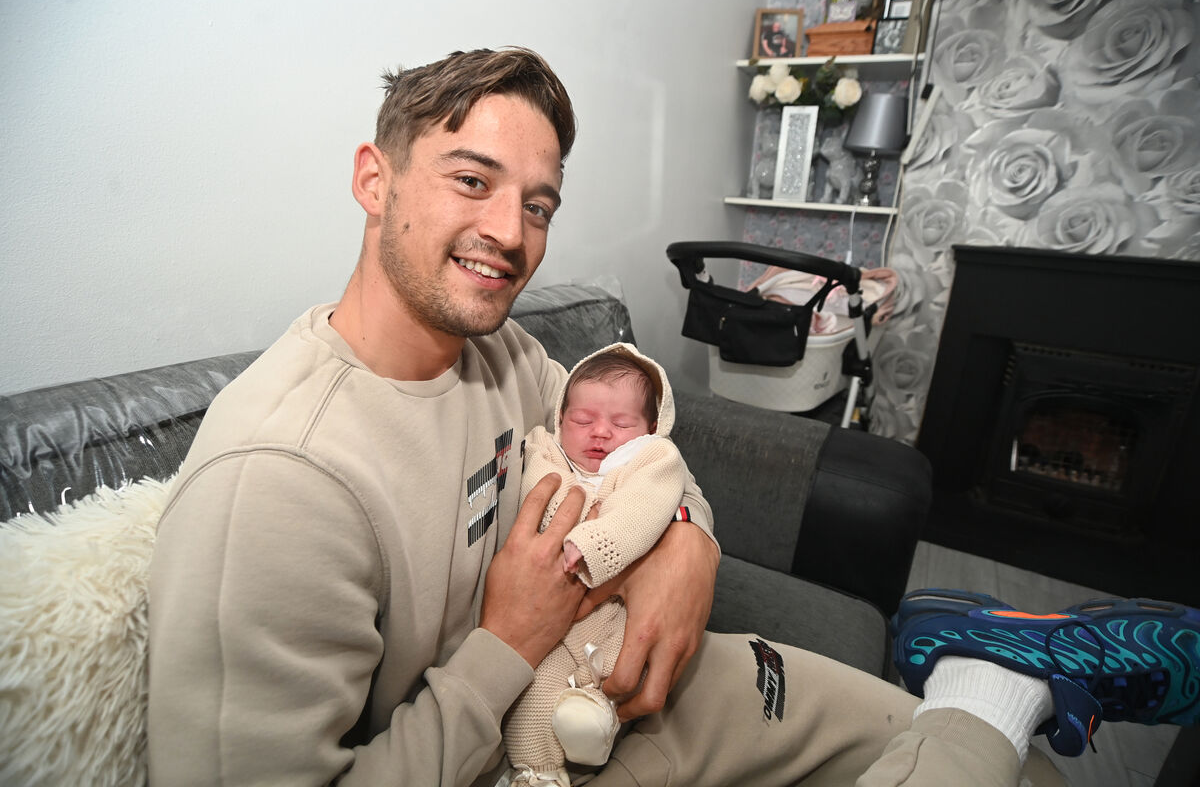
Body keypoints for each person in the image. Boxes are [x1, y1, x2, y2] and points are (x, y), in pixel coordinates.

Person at [146, 45, 1199, 787]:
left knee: (1022, 770)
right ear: (374, 180)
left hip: (613, 689)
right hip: (520, 749)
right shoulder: (279, 480)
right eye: (472, 180)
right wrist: (511, 641)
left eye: (540, 202)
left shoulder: (503, 352)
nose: (510, 232)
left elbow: (635, 453)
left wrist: (688, 539)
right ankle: (989, 677)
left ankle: (980, 695)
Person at [504, 343, 689, 786]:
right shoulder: (546, 448)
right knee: (531, 698)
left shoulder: (651, 460)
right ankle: (538, 773)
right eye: (582, 421)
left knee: (621, 669)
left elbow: (646, 508)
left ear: (651, 428)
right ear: (560, 417)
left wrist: (594, 543)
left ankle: (599, 717)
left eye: (622, 423)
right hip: (549, 623)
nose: (600, 433)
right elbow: (535, 483)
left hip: (618, 610)